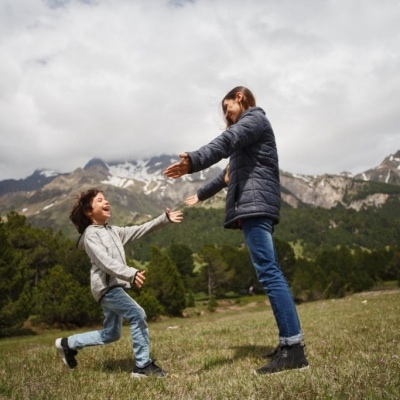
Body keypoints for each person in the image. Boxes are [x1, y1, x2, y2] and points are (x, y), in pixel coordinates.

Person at [164, 86, 309, 374]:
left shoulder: (254, 120)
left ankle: (293, 348)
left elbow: (226, 141)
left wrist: (193, 160)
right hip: (255, 205)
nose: (226, 116)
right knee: (269, 272)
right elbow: (227, 174)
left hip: (256, 206)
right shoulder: (248, 134)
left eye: (227, 107)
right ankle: (288, 344)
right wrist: (201, 194)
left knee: (269, 272)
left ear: (239, 97)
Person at [55, 188, 183, 378]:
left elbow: (140, 230)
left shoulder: (114, 231)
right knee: (138, 314)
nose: (106, 202)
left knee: (111, 334)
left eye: (105, 199)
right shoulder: (91, 235)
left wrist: (163, 219)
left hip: (114, 287)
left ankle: (67, 344)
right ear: (88, 212)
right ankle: (142, 367)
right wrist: (131, 273)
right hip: (107, 288)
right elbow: (105, 261)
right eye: (99, 200)